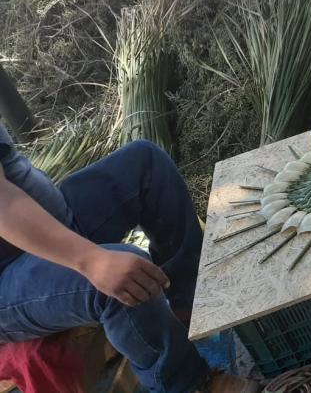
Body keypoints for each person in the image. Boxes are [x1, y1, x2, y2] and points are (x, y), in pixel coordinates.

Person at [0, 129, 256, 392]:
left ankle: (186, 307)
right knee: (119, 280)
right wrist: (90, 260)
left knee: (145, 164)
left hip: (50, 224)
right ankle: (190, 385)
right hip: (6, 279)